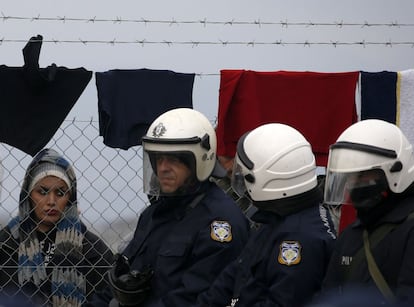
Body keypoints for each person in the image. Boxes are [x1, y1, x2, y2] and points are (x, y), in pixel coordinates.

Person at [88, 108, 250, 307]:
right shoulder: (154, 214)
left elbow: (194, 298)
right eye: (158, 158)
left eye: (174, 159)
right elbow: (120, 280)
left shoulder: (220, 223)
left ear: (199, 160)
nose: (163, 168)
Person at [196, 123, 336, 307]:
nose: (235, 175)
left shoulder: (300, 239)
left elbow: (283, 300)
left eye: (245, 176)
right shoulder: (278, 220)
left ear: (268, 180)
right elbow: (230, 280)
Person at [0, 148, 114, 307]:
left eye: (60, 193)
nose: (51, 201)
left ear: (70, 197)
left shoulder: (93, 250)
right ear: (28, 194)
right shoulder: (5, 244)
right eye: (42, 192)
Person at [321, 119, 414, 305]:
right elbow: (328, 295)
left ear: (393, 173)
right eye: (349, 176)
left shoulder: (409, 231)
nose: (352, 183)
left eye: (362, 175)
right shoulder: (352, 234)